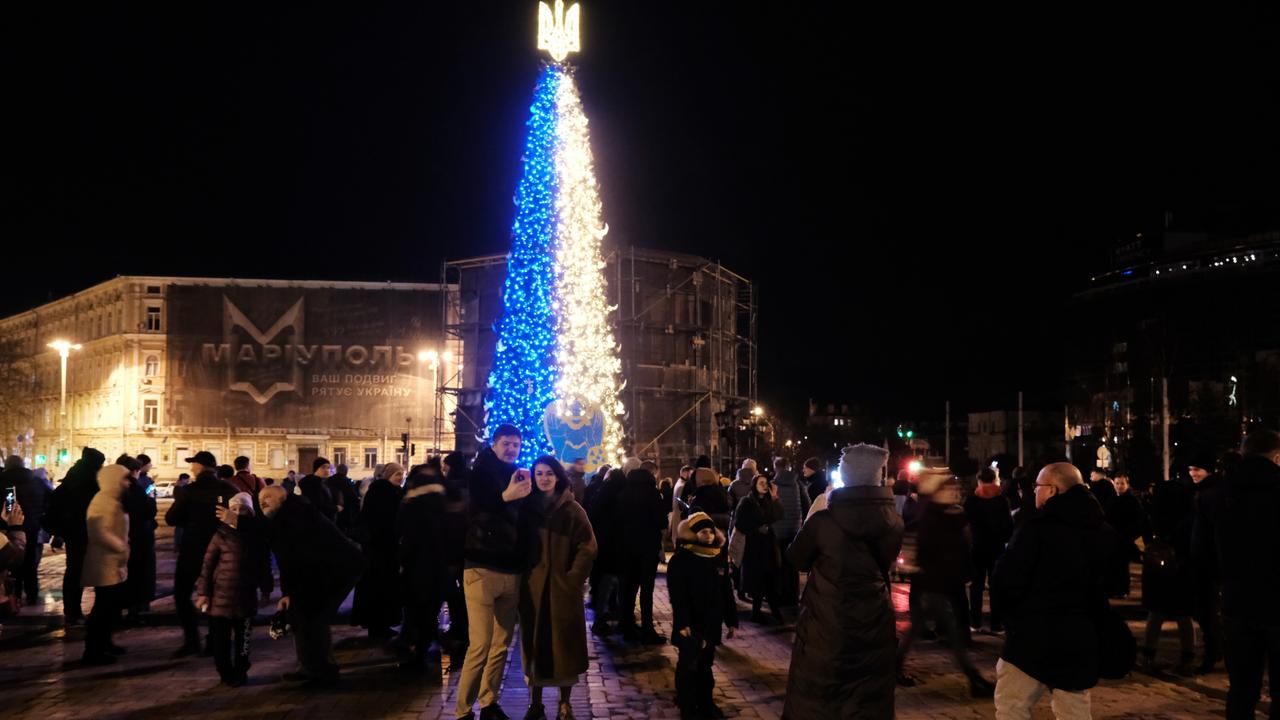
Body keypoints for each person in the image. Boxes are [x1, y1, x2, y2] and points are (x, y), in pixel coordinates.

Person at [991, 462, 1121, 719]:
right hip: (1080, 637)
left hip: (1032, 637)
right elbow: (1115, 582)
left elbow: (1005, 580)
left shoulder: (1036, 529)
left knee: (1012, 706)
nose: (1033, 492)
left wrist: (1012, 621)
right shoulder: (1103, 531)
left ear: (1052, 490)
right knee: (1074, 711)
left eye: (1037, 487)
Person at [784, 444, 904, 720]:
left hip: (827, 621)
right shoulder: (894, 522)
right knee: (867, 694)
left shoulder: (823, 521)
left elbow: (796, 559)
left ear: (845, 475)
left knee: (822, 695)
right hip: (873, 617)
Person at [456, 425, 534, 720]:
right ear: (494, 444)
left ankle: (489, 702)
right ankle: (463, 710)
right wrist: (506, 496)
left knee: (502, 643)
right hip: (481, 566)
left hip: (511, 568)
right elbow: (477, 509)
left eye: (516, 444)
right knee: (481, 643)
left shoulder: (516, 473)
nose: (512, 449)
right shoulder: (480, 471)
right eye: (506, 443)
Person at [1203, 430, 1280, 718]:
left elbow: (1203, 553)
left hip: (1237, 602)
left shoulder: (1216, 496)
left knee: (1242, 689)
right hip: (1277, 603)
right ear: (1277, 456)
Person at [898, 476, 994, 696]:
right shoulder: (929, 515)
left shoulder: (952, 514)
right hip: (934, 582)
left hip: (945, 580)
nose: (953, 493)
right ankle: (974, 679)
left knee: (916, 630)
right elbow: (925, 546)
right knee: (951, 632)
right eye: (949, 490)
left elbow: (962, 546)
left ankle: (894, 665)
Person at [259, 485, 364, 686]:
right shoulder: (290, 514)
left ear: (282, 498)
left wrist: (290, 592)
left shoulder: (291, 517)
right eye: (260, 499)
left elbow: (293, 559)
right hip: (323, 571)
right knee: (306, 617)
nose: (263, 502)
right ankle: (311, 668)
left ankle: (321, 671)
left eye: (268, 497)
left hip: (334, 571)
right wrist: (289, 593)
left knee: (312, 618)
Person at [519, 457, 597, 720]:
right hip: (534, 588)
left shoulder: (572, 509)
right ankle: (536, 703)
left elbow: (588, 547)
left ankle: (565, 703)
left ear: (557, 476)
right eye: (539, 473)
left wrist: (573, 579)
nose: (543, 478)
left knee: (565, 647)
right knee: (534, 646)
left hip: (563, 591)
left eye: (549, 473)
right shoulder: (526, 507)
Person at [165, 450, 239, 656]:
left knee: (182, 594)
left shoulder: (189, 490)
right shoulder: (229, 489)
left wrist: (191, 522)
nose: (191, 468)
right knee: (219, 597)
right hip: (222, 550)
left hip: (193, 549)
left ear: (201, 467)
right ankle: (215, 640)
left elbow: (172, 518)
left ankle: (192, 640)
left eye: (194, 464)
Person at [195, 492, 271, 686]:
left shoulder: (255, 536)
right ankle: (225, 672)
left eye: (243, 510)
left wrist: (266, 588)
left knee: (243, 640)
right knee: (220, 640)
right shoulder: (220, 534)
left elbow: (264, 563)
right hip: (220, 597)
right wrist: (203, 592)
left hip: (245, 596)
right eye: (234, 509)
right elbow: (208, 565)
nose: (237, 513)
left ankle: (241, 670)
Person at [668, 511, 728, 720]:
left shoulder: (716, 557)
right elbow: (678, 596)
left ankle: (705, 702)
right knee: (688, 665)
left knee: (706, 664)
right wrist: (683, 622)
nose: (709, 536)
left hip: (711, 621)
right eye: (703, 532)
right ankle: (687, 704)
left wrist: (730, 619)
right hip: (691, 622)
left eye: (711, 532)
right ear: (693, 534)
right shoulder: (681, 560)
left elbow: (725, 591)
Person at [396, 466, 453, 669]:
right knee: (429, 611)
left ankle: (420, 652)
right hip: (438, 567)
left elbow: (407, 537)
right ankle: (428, 645)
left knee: (417, 611)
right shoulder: (443, 503)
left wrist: (403, 560)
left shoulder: (412, 505)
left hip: (417, 568)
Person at [1140, 469, 1196, 675]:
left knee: (1156, 613)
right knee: (1183, 615)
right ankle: (1187, 656)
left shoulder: (1156, 516)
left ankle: (1148, 654)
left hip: (1159, 569)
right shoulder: (1188, 517)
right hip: (1181, 570)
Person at [43, 447, 106, 624]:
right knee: (90, 573)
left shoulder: (71, 479)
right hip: (87, 533)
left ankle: (72, 611)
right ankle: (80, 612)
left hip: (73, 533)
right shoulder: (91, 482)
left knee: (74, 572)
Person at [81, 462, 131, 665]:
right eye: (123, 479)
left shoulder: (111, 500)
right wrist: (120, 546)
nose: (127, 483)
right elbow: (99, 531)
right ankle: (93, 651)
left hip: (113, 563)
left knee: (109, 607)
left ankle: (105, 643)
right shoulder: (103, 501)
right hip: (104, 563)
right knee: (102, 609)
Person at [616, 461, 668, 643]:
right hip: (648, 548)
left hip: (626, 548)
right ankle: (647, 628)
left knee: (628, 589)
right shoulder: (653, 494)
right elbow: (662, 522)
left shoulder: (623, 494)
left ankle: (627, 627)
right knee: (647, 590)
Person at [355, 462, 406, 638]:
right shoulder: (382, 492)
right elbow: (380, 520)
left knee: (384, 588)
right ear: (388, 475)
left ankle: (381, 625)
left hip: (385, 549)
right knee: (379, 587)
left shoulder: (393, 492)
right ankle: (377, 626)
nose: (400, 477)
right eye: (396, 474)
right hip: (379, 549)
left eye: (401, 473)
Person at [1186, 453, 1224, 675]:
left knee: (1209, 613)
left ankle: (1213, 654)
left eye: (1197, 469)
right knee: (1206, 613)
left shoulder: (1210, 494)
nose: (1193, 473)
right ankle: (1214, 652)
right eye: (1191, 469)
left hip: (1208, 564)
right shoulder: (1202, 492)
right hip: (1204, 562)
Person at [964, 466, 1013, 634]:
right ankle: (996, 624)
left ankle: (975, 622)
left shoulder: (972, 500)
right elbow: (1008, 526)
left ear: (979, 480)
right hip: (997, 547)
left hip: (977, 546)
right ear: (994, 480)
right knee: (995, 585)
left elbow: (965, 523)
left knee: (976, 586)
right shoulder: (1001, 500)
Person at [734, 474, 785, 625]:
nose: (764, 485)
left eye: (765, 483)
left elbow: (779, 515)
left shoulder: (769, 501)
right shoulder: (747, 502)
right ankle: (758, 612)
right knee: (758, 580)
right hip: (754, 547)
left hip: (768, 545)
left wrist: (775, 497)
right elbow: (739, 523)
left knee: (769, 578)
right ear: (754, 485)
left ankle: (773, 611)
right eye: (761, 483)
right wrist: (756, 529)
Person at [4, 455, 50, 605]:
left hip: (8, 527)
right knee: (30, 563)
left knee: (12, 561)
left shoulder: (3, 482)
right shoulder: (37, 482)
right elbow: (48, 501)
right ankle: (32, 594)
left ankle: (15, 594)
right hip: (33, 527)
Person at [586, 467, 626, 638]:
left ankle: (599, 618)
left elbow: (592, 516)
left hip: (603, 545)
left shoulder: (601, 493)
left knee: (604, 582)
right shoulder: (624, 495)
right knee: (620, 582)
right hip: (620, 546)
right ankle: (618, 614)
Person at [118, 455, 157, 624]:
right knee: (137, 573)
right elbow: (148, 509)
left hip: (119, 537)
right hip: (138, 536)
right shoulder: (138, 487)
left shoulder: (110, 487)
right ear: (134, 471)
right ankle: (135, 608)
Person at [769, 457, 810, 608]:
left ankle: (779, 597)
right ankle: (792, 597)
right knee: (792, 565)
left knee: (777, 565)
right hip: (794, 531)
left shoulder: (772, 485)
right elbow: (807, 505)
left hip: (776, 531)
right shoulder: (798, 484)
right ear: (789, 466)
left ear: (775, 467)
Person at [1105, 474, 1146, 598]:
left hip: (1124, 538)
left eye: (1122, 483)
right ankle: (1113, 589)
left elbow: (1139, 521)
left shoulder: (1132, 501)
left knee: (1122, 566)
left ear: (1127, 485)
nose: (1119, 486)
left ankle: (1122, 589)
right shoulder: (1111, 498)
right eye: (1117, 483)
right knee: (1113, 565)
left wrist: (1128, 535)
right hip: (1112, 538)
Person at [326, 463, 360, 537]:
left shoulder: (329, 480)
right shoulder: (348, 481)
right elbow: (353, 496)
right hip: (346, 511)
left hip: (332, 509)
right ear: (346, 471)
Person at [299, 458, 337, 522]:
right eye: (323, 467)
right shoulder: (311, 483)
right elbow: (317, 505)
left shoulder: (322, 482)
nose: (327, 470)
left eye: (328, 468)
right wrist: (335, 508)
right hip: (317, 521)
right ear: (316, 469)